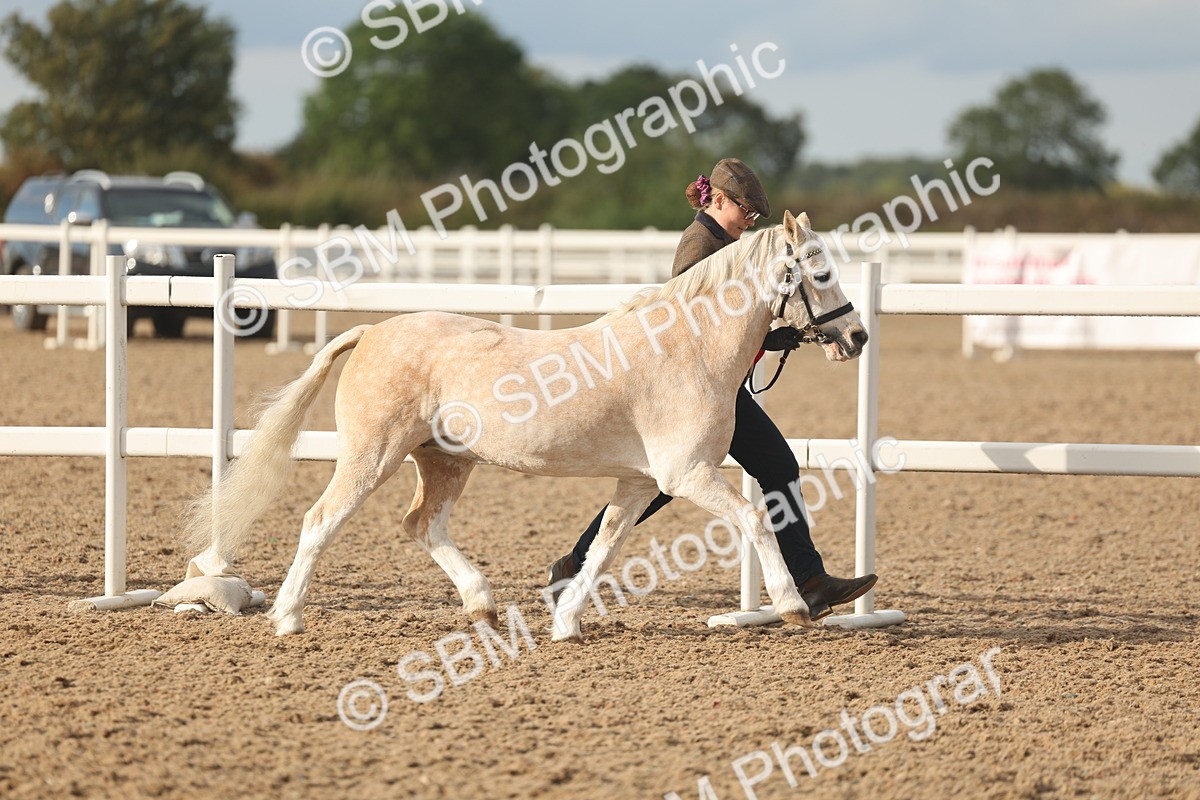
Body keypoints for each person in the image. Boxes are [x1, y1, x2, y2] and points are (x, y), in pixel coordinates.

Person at [546, 158, 877, 621]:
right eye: (744, 209)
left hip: (711, 390)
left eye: (756, 215)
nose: (750, 220)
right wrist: (779, 336)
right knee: (704, 476)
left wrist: (786, 333)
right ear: (717, 200)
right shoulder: (700, 246)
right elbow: (698, 325)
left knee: (669, 483)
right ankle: (809, 581)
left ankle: (810, 579)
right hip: (690, 394)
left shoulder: (727, 243)